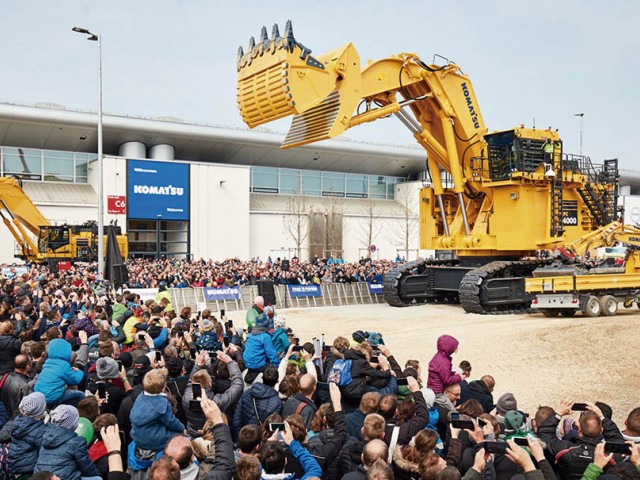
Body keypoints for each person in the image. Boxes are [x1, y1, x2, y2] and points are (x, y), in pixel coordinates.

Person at [537, 399, 625, 480]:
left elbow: (544, 435)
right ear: (601, 431)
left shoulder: (563, 449)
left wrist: (558, 413)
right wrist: (602, 417)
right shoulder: (609, 456)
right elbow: (618, 440)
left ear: (579, 430)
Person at [34, 404, 102, 480]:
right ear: (74, 423)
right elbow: (87, 467)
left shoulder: (45, 436)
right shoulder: (77, 442)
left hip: (42, 476)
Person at [130, 368, 185, 453]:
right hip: (154, 441)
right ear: (163, 387)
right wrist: (182, 428)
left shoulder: (140, 398)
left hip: (137, 437)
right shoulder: (162, 404)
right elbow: (171, 422)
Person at [34, 334, 89, 406]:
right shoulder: (64, 365)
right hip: (53, 396)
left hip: (39, 393)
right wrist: (79, 372)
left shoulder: (48, 361)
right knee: (81, 395)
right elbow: (75, 380)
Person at [232, 364, 281, 440]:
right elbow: (270, 427)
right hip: (258, 439)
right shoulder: (277, 402)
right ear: (277, 381)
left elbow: (237, 417)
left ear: (261, 377)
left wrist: (238, 438)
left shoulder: (247, 392)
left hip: (243, 435)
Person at [8, 392, 48, 477]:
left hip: (15, 464)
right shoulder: (38, 431)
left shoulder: (18, 420)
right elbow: (44, 449)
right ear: (39, 411)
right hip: (27, 469)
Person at [242, 313, 279, 384]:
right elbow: (271, 354)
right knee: (271, 369)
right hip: (259, 365)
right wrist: (277, 367)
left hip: (247, 363)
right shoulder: (265, 337)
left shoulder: (250, 335)